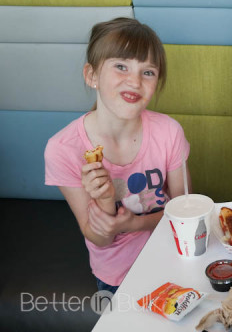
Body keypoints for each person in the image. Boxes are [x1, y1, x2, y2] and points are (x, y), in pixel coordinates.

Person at [44, 17, 191, 293]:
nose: (134, 81)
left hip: (177, 259)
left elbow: (185, 211)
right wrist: (103, 199)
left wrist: (136, 223)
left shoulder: (169, 132)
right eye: (121, 67)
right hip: (119, 277)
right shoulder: (63, 149)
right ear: (92, 75)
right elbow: (99, 238)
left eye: (148, 72)